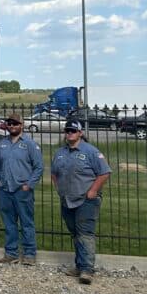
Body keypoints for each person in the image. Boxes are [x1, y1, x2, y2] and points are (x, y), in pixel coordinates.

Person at [51, 119, 112, 284]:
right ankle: (79, 265)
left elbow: (104, 172)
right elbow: (54, 172)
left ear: (80, 133)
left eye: (73, 131)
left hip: (86, 200)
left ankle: (87, 269)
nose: (70, 133)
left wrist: (93, 190)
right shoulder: (60, 153)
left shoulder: (91, 151)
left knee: (85, 233)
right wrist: (59, 189)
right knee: (75, 233)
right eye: (67, 130)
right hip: (67, 199)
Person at [0, 114, 43, 264]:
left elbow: (39, 167)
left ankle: (29, 253)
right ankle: (11, 252)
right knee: (9, 223)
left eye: (15, 123)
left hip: (22, 190)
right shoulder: (2, 144)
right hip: (5, 189)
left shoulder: (29, 144)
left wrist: (29, 185)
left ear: (21, 125)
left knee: (26, 222)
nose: (12, 126)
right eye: (9, 123)